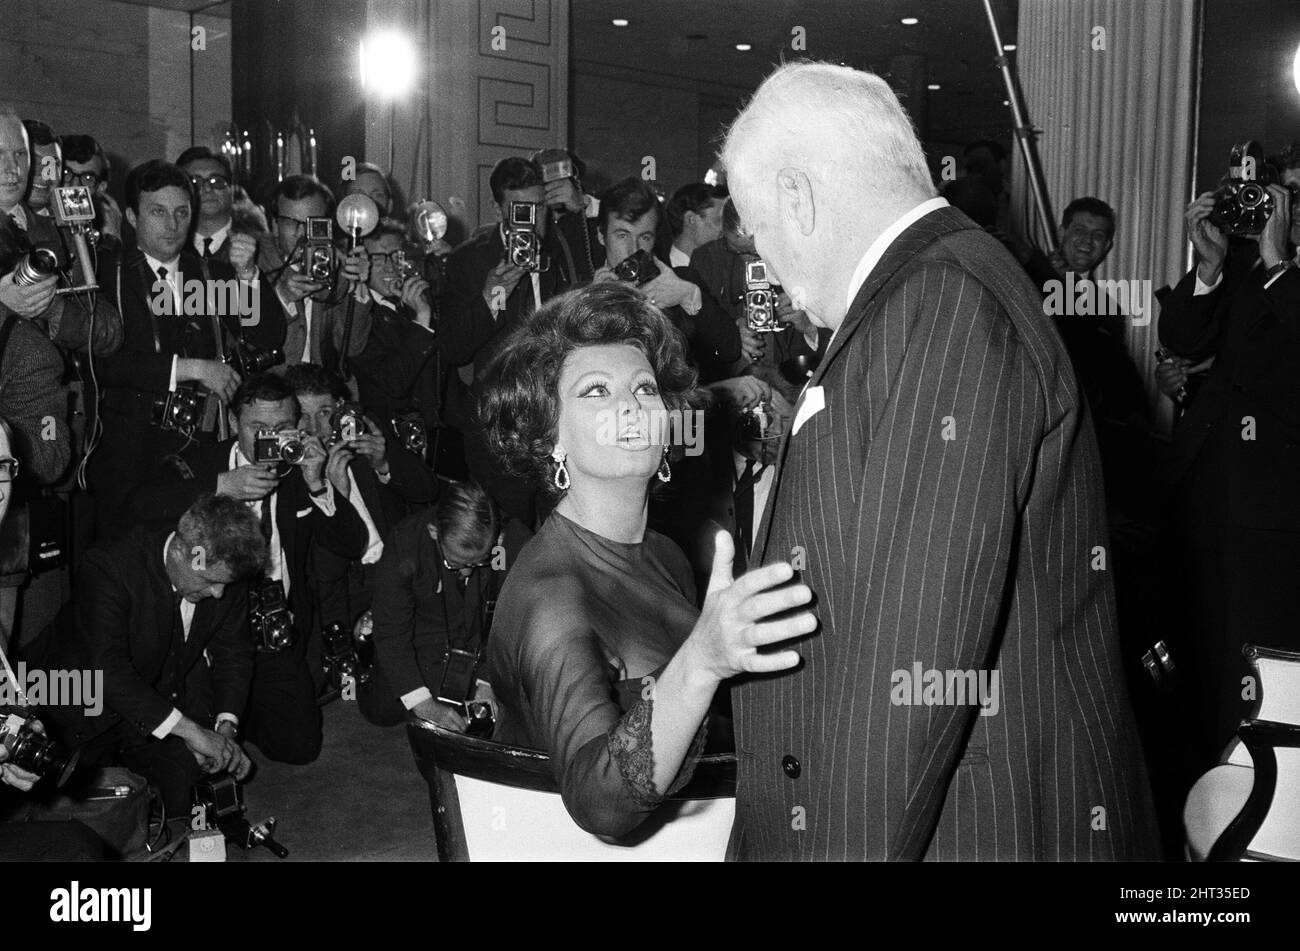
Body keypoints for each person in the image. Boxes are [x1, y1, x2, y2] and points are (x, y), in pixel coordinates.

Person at [720, 62, 1157, 860]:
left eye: (755, 230)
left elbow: (907, 679)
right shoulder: (927, 289)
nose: (766, 266)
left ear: (797, 195)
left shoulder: (943, 304)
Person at [482, 281, 814, 838]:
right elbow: (602, 808)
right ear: (550, 436)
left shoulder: (663, 550)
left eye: (644, 388)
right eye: (594, 391)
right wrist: (703, 659)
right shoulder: (552, 597)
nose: (630, 408)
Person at [123, 373, 368, 763]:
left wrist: (318, 483)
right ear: (235, 423)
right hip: (210, 629)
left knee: (300, 748)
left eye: (282, 428)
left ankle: (247, 709)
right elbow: (136, 507)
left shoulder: (300, 466)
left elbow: (352, 544)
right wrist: (219, 486)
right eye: (258, 428)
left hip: (276, 629)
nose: (270, 440)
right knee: (190, 756)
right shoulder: (203, 463)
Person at [1157, 144, 1300, 765]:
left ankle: (1259, 810)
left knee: (1261, 657)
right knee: (1203, 654)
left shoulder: (1278, 270)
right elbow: (1183, 339)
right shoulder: (1247, 265)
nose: (1282, 206)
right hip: (1209, 491)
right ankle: (1205, 797)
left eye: (1291, 193)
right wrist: (1210, 267)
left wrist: (1277, 263)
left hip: (1276, 507)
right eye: (1280, 192)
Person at [29, 494, 263, 815]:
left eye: (225, 583)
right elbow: (107, 670)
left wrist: (225, 730)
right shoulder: (109, 565)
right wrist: (191, 731)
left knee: (182, 794)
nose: (219, 594)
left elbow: (234, 654)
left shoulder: (223, 571)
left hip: (148, 708)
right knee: (89, 823)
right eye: (210, 581)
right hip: (73, 706)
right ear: (183, 552)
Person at [369, 481, 526, 727]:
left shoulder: (510, 541)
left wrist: (488, 680)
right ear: (434, 532)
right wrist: (425, 706)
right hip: (426, 640)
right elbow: (391, 633)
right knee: (383, 709)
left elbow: (513, 622)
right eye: (455, 563)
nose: (466, 573)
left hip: (484, 641)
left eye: (479, 563)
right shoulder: (405, 542)